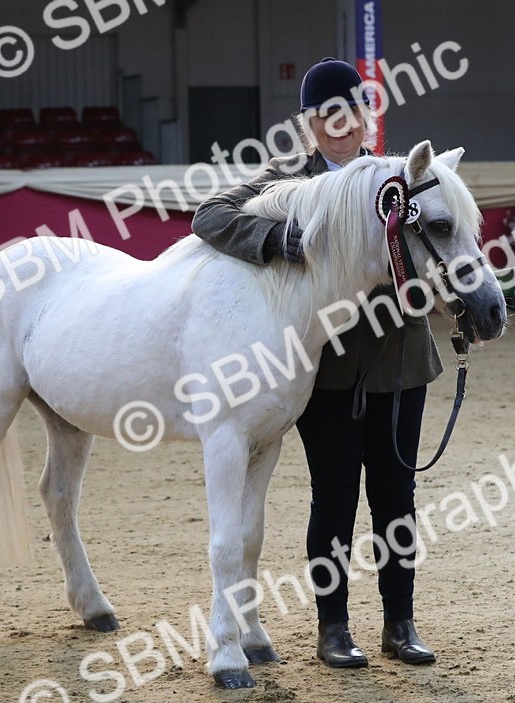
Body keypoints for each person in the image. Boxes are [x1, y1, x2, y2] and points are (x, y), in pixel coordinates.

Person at [191, 58, 439, 668]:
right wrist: (279, 242)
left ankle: (400, 624)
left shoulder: (400, 176)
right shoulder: (285, 182)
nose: (338, 124)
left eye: (349, 112)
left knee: (397, 497)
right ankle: (334, 629)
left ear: (365, 118)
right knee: (333, 499)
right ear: (308, 125)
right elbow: (210, 218)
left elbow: (438, 238)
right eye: (324, 115)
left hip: (399, 359)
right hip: (323, 369)